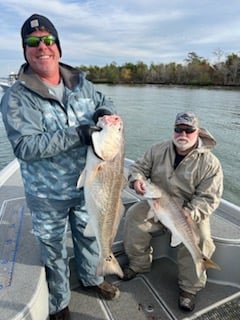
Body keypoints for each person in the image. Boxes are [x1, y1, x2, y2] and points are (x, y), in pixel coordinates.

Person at [1, 14, 120, 320]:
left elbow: (103, 99)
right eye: (33, 42)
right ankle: (59, 302)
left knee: (89, 235)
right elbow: (25, 147)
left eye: (48, 40)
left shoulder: (82, 82)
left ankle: (94, 277)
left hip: (87, 186)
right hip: (47, 195)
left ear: (58, 47)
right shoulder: (16, 97)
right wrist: (78, 134)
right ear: (26, 50)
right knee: (53, 250)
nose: (42, 47)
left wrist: (106, 113)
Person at [122, 111, 223, 312]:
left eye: (188, 130)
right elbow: (139, 168)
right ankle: (139, 264)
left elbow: (208, 199)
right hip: (157, 204)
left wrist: (187, 216)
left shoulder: (210, 164)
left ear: (198, 132)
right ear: (173, 130)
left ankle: (190, 288)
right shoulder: (158, 150)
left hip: (189, 211)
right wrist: (137, 180)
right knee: (134, 216)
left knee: (201, 239)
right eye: (178, 129)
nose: (182, 134)